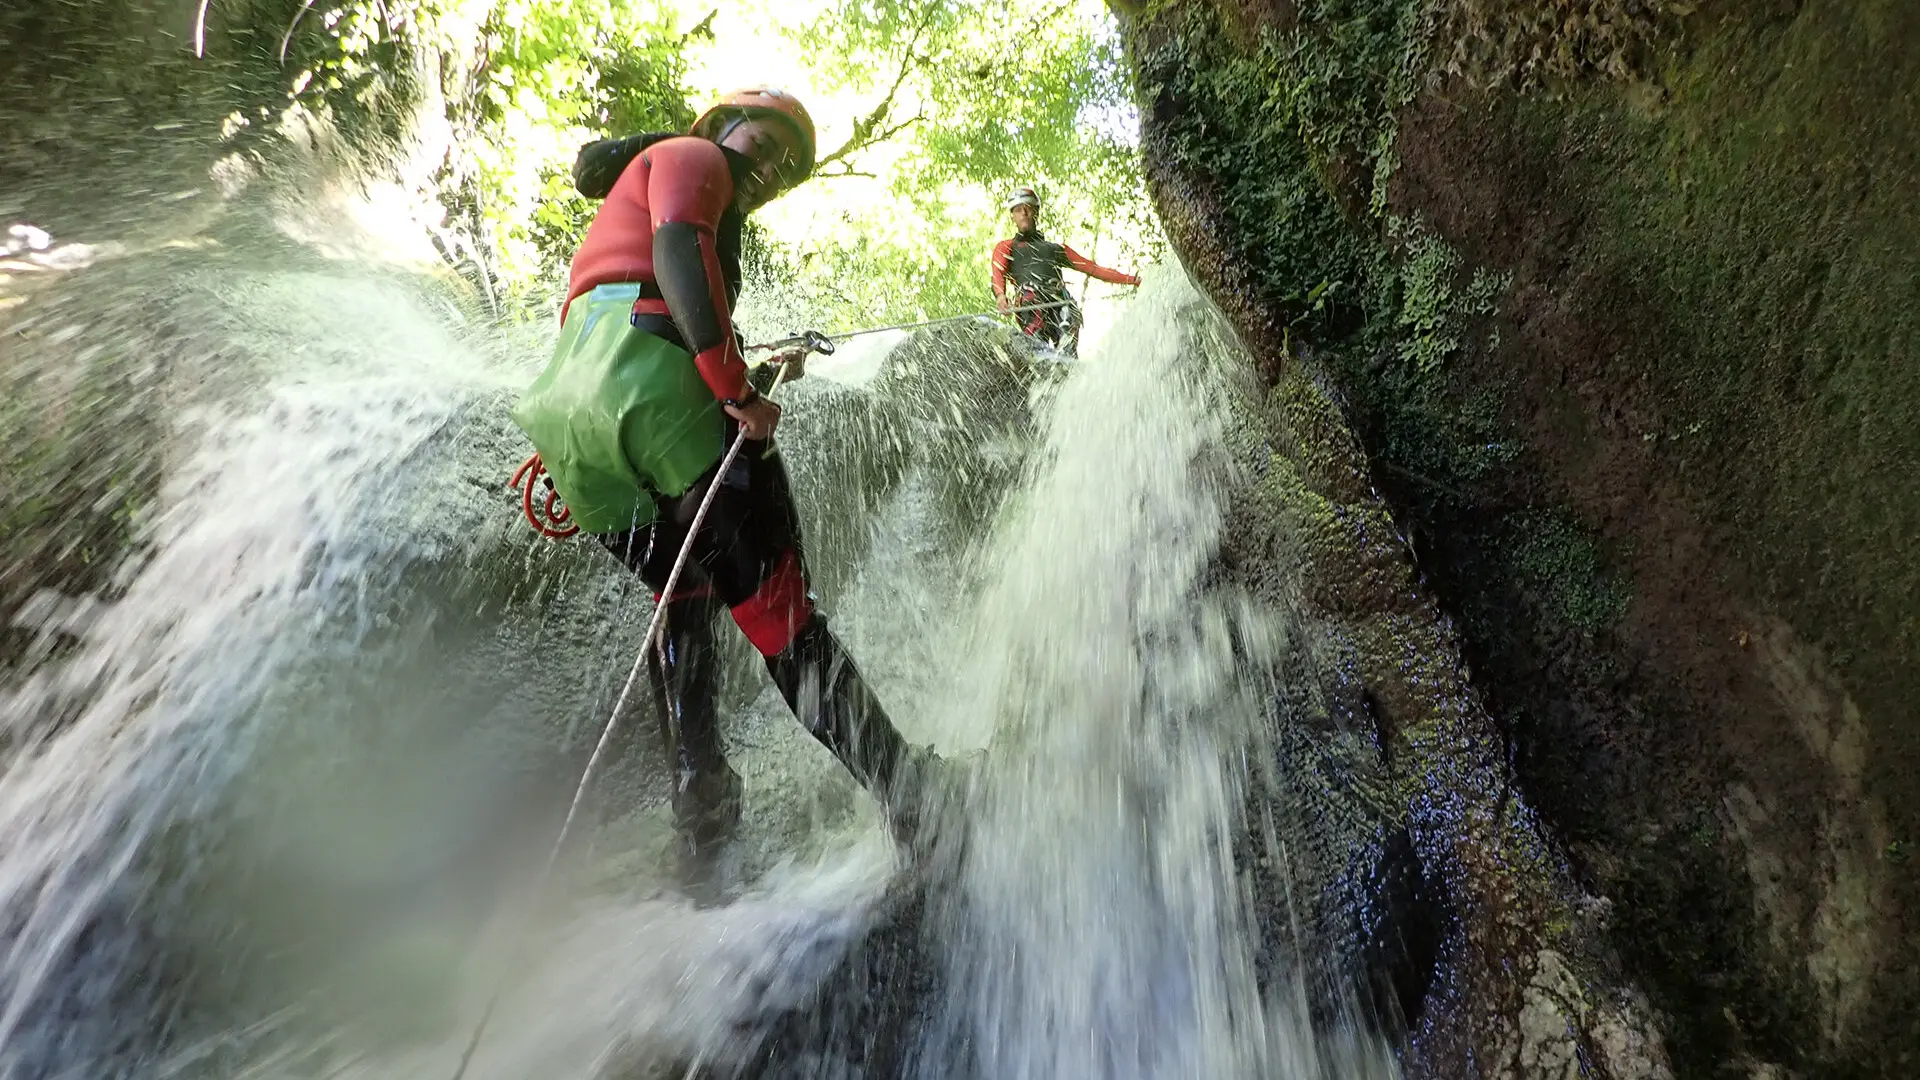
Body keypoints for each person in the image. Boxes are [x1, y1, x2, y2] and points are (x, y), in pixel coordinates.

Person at [510, 88, 946, 891]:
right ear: (719, 125)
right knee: (782, 622)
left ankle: (702, 821)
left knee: (685, 603)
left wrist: (741, 363)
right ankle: (917, 799)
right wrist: (735, 389)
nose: (774, 165)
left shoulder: (624, 200)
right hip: (660, 393)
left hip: (578, 432)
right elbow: (679, 249)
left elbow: (643, 285)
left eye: (789, 163)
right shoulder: (693, 155)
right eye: (769, 139)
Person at [989, 185, 1139, 356]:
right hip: (1031, 302)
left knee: (1069, 311)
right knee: (1031, 298)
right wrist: (1001, 296)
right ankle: (1038, 353)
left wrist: (1133, 280)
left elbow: (1094, 269)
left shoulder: (1056, 249)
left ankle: (1068, 360)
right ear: (1013, 217)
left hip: (1059, 301)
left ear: (1036, 212)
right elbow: (997, 273)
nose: (1023, 213)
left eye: (1027, 208)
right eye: (1017, 210)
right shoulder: (1006, 247)